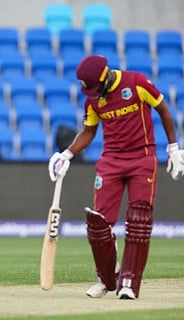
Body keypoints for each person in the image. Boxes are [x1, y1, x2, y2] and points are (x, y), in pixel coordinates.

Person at [47, 54, 184, 299]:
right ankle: (107, 278)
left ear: (106, 76)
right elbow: (89, 132)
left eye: (96, 88)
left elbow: (163, 110)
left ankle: (129, 282)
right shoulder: (93, 101)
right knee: (98, 224)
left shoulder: (137, 83)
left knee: (139, 220)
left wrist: (173, 148)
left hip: (142, 158)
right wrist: (66, 154)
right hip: (110, 161)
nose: (94, 94)